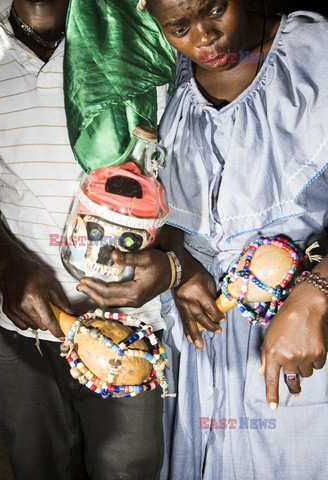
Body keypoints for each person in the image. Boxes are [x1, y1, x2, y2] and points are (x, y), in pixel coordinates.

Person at [0, 0, 171, 478]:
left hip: (128, 326)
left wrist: (171, 266)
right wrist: (7, 261)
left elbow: (186, 165)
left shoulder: (142, 27)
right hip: (27, 328)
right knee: (37, 467)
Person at [129, 1, 328, 479]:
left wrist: (316, 294)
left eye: (214, 9)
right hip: (202, 341)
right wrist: (178, 262)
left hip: (299, 330)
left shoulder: (316, 58)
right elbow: (170, 206)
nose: (205, 38)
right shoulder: (162, 78)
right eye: (178, 27)